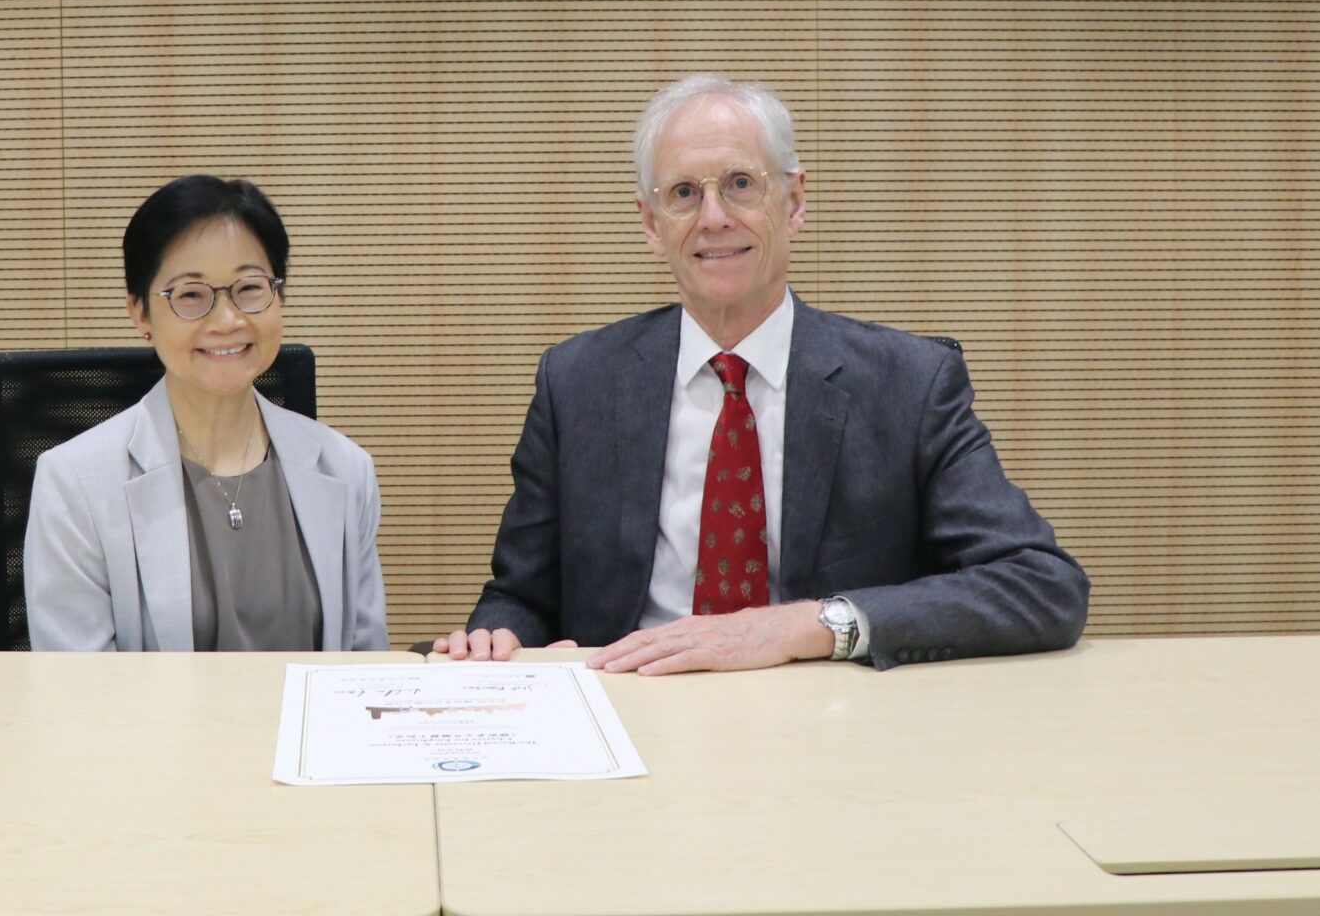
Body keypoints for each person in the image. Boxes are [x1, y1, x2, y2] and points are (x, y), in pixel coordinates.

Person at [440, 76, 1086, 672]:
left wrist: (810, 626)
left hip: (829, 714)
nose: (715, 217)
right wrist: (499, 633)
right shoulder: (578, 381)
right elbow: (521, 594)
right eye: (684, 193)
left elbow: (1039, 584)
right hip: (635, 703)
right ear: (651, 224)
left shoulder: (908, 384)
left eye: (741, 184)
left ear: (795, 200)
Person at [26, 175, 388, 651]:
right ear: (140, 314)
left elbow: (361, 668)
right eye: (191, 295)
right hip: (152, 729)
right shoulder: (74, 484)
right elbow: (81, 698)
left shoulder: (346, 470)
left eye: (249, 288)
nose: (228, 320)